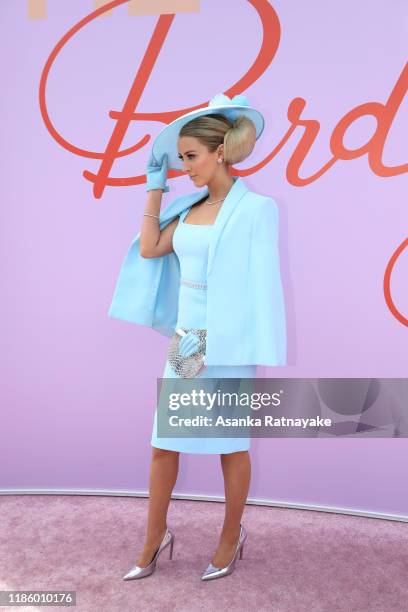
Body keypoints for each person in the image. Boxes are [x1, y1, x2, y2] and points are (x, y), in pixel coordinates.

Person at [109, 94, 287, 581]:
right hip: (187, 342)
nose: (185, 167)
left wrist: (253, 348)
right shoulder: (188, 211)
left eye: (191, 157)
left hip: (229, 343)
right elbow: (149, 249)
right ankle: (154, 536)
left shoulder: (258, 209)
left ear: (221, 153)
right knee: (165, 442)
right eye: (181, 158)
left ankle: (231, 535)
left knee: (231, 445)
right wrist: (154, 186)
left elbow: (263, 285)